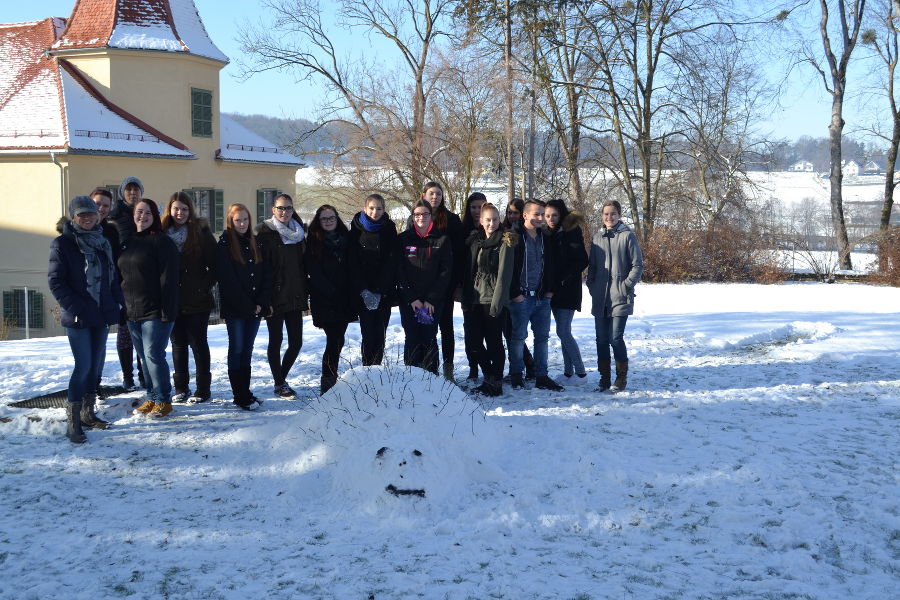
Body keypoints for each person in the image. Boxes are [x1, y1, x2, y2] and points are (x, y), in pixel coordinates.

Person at [49, 196, 124, 442]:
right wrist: (76, 307)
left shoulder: (103, 242)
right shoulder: (63, 244)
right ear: (74, 217)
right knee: (82, 367)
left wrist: (116, 302)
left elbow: (112, 277)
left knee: (94, 368)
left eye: (91, 214)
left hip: (101, 314)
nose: (88, 218)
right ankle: (73, 421)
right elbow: (56, 282)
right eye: (82, 215)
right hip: (79, 317)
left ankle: (87, 414)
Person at [117, 199, 180, 418]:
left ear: (154, 217)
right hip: (132, 311)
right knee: (144, 357)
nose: (142, 216)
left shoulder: (162, 242)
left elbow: (170, 279)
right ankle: (152, 397)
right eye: (139, 212)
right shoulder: (129, 241)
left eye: (147, 213)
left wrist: (167, 311)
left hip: (156, 311)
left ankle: (163, 400)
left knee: (154, 355)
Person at [162, 192, 217, 403]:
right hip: (171, 300)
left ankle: (203, 389)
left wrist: (202, 287)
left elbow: (215, 265)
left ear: (190, 211)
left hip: (197, 300)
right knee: (177, 344)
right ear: (170, 209)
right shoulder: (162, 233)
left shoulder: (200, 233)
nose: (180, 213)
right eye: (176, 208)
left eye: (184, 209)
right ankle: (180, 388)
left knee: (198, 344)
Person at [217, 203, 271, 410]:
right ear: (231, 222)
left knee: (247, 350)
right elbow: (228, 281)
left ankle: (245, 391)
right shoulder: (224, 245)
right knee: (237, 348)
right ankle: (239, 395)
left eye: (245, 219)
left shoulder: (256, 242)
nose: (242, 223)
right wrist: (250, 306)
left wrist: (261, 303)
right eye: (238, 220)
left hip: (256, 308)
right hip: (236, 309)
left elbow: (266, 274)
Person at [586, 200, 644, 392]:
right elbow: (592, 267)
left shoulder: (627, 236)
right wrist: (592, 286)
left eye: (613, 214)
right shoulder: (597, 238)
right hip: (600, 297)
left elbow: (637, 265)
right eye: (605, 214)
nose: (609, 217)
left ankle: (621, 378)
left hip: (620, 297)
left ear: (619, 215)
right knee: (601, 339)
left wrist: (625, 285)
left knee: (615, 338)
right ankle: (604, 378)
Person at [461, 203, 517, 397]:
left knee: (494, 342)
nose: (491, 223)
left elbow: (504, 276)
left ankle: (496, 381)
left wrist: (497, 303)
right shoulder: (476, 241)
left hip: (492, 299)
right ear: (481, 221)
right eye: (488, 219)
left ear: (499, 220)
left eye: (495, 219)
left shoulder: (505, 241)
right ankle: (489, 376)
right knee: (473, 343)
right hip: (474, 298)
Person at [508, 200, 564, 392]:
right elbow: (508, 268)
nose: (541, 218)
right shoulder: (514, 236)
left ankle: (542, 375)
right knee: (518, 338)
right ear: (525, 215)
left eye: (542, 214)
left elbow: (553, 265)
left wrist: (549, 291)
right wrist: (515, 294)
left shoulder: (546, 237)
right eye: (536, 214)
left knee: (542, 338)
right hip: (521, 297)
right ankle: (516, 375)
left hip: (542, 297)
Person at [256, 193, 307, 399]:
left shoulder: (300, 232)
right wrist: (263, 298)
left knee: (296, 342)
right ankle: (280, 383)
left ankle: (280, 379)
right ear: (273, 210)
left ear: (293, 209)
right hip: (274, 296)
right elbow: (261, 268)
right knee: (275, 341)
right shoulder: (264, 232)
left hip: (295, 293)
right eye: (280, 208)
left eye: (287, 208)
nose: (284, 212)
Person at [396, 200, 452, 373]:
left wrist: (430, 300)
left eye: (425, 214)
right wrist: (411, 298)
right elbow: (399, 271)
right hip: (409, 301)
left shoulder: (442, 240)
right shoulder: (403, 239)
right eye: (417, 214)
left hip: (432, 303)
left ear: (431, 216)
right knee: (411, 338)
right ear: (413, 217)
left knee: (429, 338)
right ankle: (411, 377)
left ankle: (431, 377)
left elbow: (445, 272)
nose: (421, 217)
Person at [305, 205, 356, 393]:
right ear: (318, 221)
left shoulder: (347, 239)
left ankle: (330, 380)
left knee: (338, 340)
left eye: (331, 218)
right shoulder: (313, 242)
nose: (328, 221)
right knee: (333, 340)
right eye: (324, 219)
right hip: (324, 299)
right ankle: (327, 384)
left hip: (344, 300)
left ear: (337, 219)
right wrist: (332, 291)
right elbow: (314, 272)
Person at [417, 182, 464, 380]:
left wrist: (457, 284)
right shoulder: (418, 216)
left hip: (446, 282)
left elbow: (460, 253)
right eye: (431, 193)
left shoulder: (451, 220)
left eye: (438, 193)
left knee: (446, 327)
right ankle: (425, 367)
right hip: (423, 285)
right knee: (426, 327)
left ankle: (448, 369)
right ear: (424, 195)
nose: (435, 197)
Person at [103, 180, 145, 389]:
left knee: (142, 332)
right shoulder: (114, 216)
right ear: (122, 192)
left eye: (136, 189)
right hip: (120, 279)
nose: (132, 192)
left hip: (142, 279)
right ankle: (128, 376)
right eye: (129, 189)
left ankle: (143, 373)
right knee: (125, 331)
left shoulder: (145, 212)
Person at [348, 194, 397, 366]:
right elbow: (352, 262)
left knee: (380, 334)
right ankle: (367, 369)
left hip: (384, 292)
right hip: (364, 292)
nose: (375, 212)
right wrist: (364, 290)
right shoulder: (356, 228)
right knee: (368, 334)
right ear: (365, 208)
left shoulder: (389, 228)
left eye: (379, 208)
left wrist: (380, 290)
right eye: (372, 208)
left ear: (384, 210)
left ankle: (377, 370)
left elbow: (392, 260)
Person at [545, 199, 589, 383]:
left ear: (561, 214)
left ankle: (581, 373)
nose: (551, 219)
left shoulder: (571, 230)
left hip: (568, 290)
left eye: (554, 215)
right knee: (563, 331)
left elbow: (582, 261)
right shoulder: (547, 233)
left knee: (563, 331)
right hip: (553, 290)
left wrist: (565, 279)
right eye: (547, 215)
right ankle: (568, 373)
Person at [501, 196, 535, 379]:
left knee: (515, 333)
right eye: (509, 212)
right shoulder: (505, 231)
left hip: (520, 290)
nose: (512, 215)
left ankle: (526, 365)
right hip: (505, 289)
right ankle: (526, 363)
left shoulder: (525, 233)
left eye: (515, 212)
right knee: (509, 332)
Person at [459, 192, 486, 384]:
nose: (477, 211)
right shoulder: (462, 231)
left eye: (480, 207)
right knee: (471, 331)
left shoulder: (493, 228)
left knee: (491, 332)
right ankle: (473, 368)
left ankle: (490, 369)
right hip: (468, 289)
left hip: (488, 291)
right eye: (474, 207)